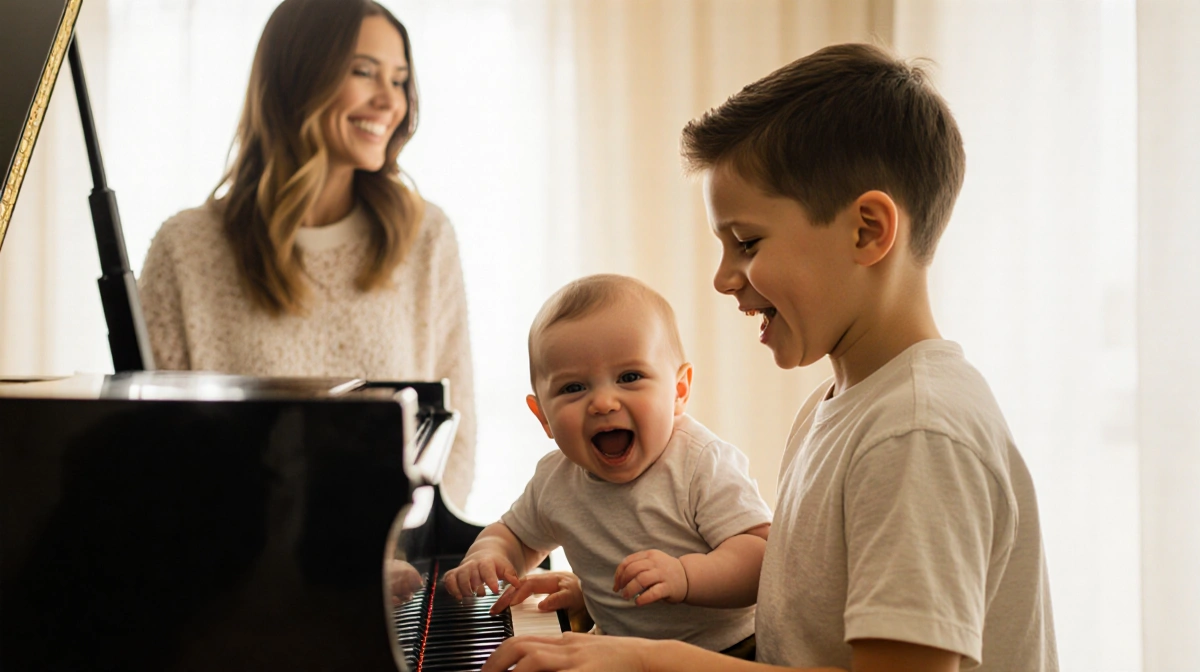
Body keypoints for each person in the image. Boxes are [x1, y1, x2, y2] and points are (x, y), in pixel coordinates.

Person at [482, 43, 1058, 672]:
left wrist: (647, 660)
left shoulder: (916, 432)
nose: (725, 278)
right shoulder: (839, 405)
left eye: (747, 242)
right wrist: (603, 598)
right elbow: (797, 614)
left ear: (867, 230)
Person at [136, 0, 476, 507]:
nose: (391, 100)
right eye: (364, 72)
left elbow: (456, 437)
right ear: (299, 76)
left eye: (400, 79)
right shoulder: (185, 248)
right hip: (231, 568)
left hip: (393, 568)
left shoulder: (425, 235)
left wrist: (405, 557)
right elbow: (159, 449)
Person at [444, 274, 773, 657]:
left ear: (679, 391)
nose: (602, 403)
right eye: (573, 388)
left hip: (728, 653)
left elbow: (759, 557)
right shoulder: (556, 480)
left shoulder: (701, 463)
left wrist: (686, 575)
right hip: (617, 650)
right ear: (543, 417)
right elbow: (514, 536)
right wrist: (488, 554)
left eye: (629, 377)